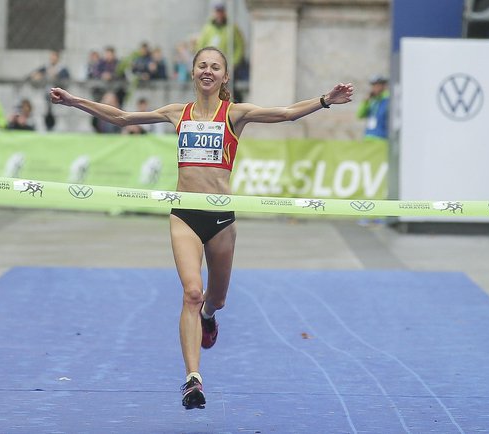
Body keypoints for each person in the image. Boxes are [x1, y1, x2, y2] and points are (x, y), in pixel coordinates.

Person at [49, 46, 353, 410]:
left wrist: (325, 100)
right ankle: (193, 379)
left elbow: (286, 113)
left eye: (215, 67)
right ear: (192, 73)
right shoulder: (178, 113)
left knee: (216, 299)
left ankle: (209, 317)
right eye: (202, 66)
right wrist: (75, 101)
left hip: (222, 218)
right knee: (192, 293)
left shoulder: (236, 114)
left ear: (225, 77)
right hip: (185, 214)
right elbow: (122, 117)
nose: (208, 71)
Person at [196, 2, 248, 100]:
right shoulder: (208, 28)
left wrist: (234, 62)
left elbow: (239, 46)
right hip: (211, 64)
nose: (219, 14)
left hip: (227, 64)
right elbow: (200, 46)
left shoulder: (231, 28)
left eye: (221, 12)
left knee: (229, 86)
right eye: (217, 12)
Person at [356, 74, 389, 140]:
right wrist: (365, 102)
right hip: (369, 136)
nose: (375, 88)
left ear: (383, 86)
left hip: (382, 137)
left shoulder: (388, 99)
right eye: (374, 85)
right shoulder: (372, 100)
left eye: (378, 85)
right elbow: (359, 115)